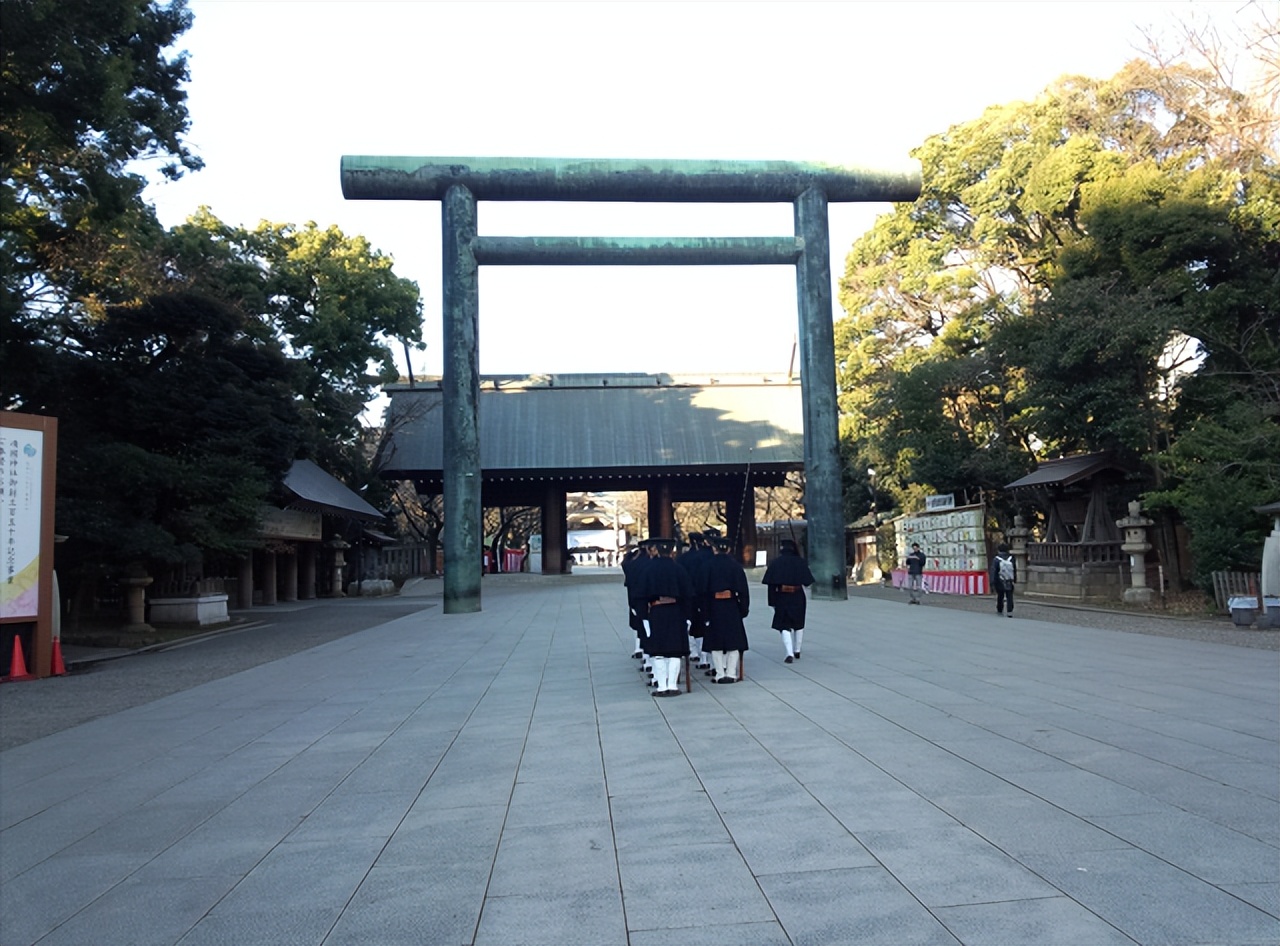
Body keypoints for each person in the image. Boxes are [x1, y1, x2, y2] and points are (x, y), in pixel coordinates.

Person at [634, 538, 694, 696]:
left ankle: (661, 686)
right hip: (676, 611)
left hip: (656, 612)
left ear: (656, 550)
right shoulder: (679, 569)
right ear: (671, 551)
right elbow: (688, 595)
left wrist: (643, 616)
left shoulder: (648, 569)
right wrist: (688, 616)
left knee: (658, 652)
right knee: (675, 651)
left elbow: (639, 596)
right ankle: (673, 686)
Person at [701, 536, 750, 683]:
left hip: (714, 605)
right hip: (732, 605)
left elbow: (702, 591)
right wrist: (743, 609)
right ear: (728, 549)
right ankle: (731, 673)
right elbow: (743, 591)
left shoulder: (707, 565)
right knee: (733, 640)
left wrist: (704, 612)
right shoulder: (736, 566)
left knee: (715, 642)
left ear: (714, 549)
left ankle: (719, 673)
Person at [761, 539, 815, 663]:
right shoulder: (801, 562)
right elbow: (807, 582)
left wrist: (772, 602)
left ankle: (789, 652)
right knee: (799, 623)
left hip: (781, 595)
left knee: (784, 625)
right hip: (798, 595)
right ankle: (797, 649)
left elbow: (771, 585)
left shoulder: (776, 563)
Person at [991, 542, 1017, 617]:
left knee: (1000, 595)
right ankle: (1010, 610)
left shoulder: (996, 559)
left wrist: (992, 582)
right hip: (1009, 579)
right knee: (1009, 596)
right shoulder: (1011, 558)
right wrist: (1015, 579)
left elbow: (994, 571)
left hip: (999, 580)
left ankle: (1000, 609)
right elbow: (1014, 569)